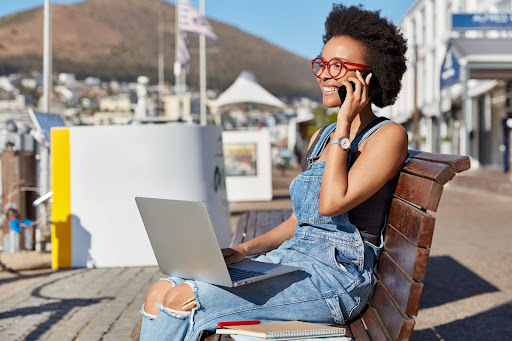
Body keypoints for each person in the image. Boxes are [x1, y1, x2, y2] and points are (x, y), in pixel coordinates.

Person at [139, 4, 408, 340]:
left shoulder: (386, 137)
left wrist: (343, 127)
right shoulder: (320, 137)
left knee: (185, 300)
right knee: (160, 290)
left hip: (336, 277)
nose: (323, 74)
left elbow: (330, 205)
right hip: (293, 259)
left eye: (336, 66)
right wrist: (244, 251)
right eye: (322, 64)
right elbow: (304, 219)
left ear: (368, 76)